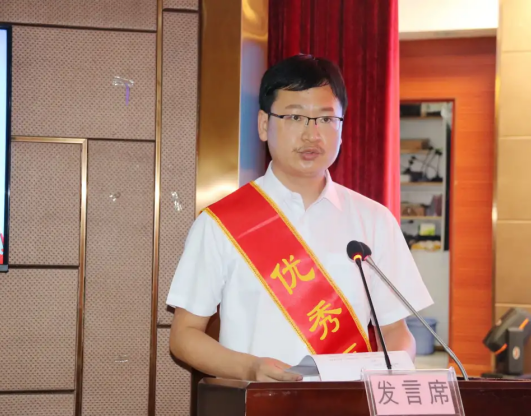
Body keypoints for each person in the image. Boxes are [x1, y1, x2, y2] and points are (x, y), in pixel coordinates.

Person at [167, 55, 433, 382]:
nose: (312, 135)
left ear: (342, 127)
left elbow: (395, 331)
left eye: (326, 118)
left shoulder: (375, 221)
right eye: (295, 117)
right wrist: (250, 368)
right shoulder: (220, 223)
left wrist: (392, 373)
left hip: (346, 404)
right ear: (263, 124)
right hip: (258, 402)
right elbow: (184, 335)